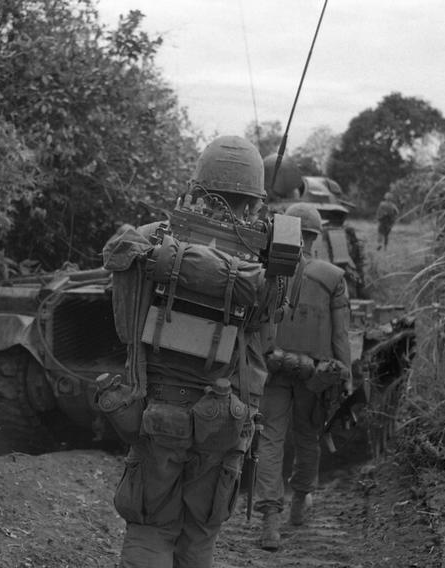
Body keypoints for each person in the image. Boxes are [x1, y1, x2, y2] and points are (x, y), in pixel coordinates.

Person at [100, 135, 290, 567]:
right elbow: (264, 340)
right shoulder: (267, 266)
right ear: (255, 200)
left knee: (150, 528)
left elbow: (124, 326)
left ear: (197, 187)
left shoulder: (152, 240)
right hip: (224, 416)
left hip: (157, 411)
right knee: (199, 536)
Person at [253, 202, 352, 551]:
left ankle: (269, 522)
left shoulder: (268, 271)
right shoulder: (333, 278)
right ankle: (299, 502)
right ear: (316, 235)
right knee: (308, 437)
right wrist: (345, 377)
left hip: (272, 369)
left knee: (269, 440)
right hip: (315, 375)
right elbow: (341, 336)